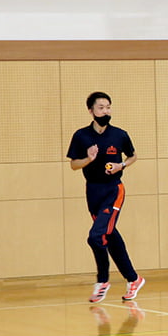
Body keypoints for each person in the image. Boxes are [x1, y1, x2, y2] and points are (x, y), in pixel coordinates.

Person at [67, 91, 145, 303]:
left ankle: (102, 280)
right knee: (109, 236)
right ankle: (133, 278)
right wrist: (88, 159)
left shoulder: (119, 134)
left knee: (95, 236)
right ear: (91, 110)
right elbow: (74, 164)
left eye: (108, 107)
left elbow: (133, 155)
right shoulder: (81, 136)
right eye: (101, 107)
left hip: (113, 190)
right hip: (93, 192)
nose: (106, 111)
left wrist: (122, 165)